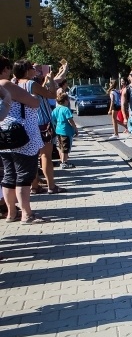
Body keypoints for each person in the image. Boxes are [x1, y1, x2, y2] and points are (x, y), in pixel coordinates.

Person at [0, 72, 45, 224]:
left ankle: (11, 214)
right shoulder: (5, 84)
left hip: (4, 134)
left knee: (9, 174)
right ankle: (27, 214)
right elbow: (34, 102)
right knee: (24, 175)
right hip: (22, 134)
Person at [20, 62, 64, 194]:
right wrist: (50, 80)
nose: (36, 71)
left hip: (27, 123)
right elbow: (52, 95)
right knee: (45, 156)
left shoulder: (16, 84)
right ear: (27, 71)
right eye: (33, 69)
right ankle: (51, 186)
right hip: (43, 123)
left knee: (32, 156)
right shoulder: (31, 84)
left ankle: (34, 186)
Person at [50, 93, 78, 169]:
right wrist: (75, 128)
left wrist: (57, 125)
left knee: (61, 146)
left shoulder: (56, 109)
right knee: (66, 147)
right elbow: (70, 120)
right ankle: (64, 162)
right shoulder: (66, 109)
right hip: (66, 130)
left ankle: (62, 161)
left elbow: (53, 119)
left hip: (58, 130)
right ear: (66, 100)